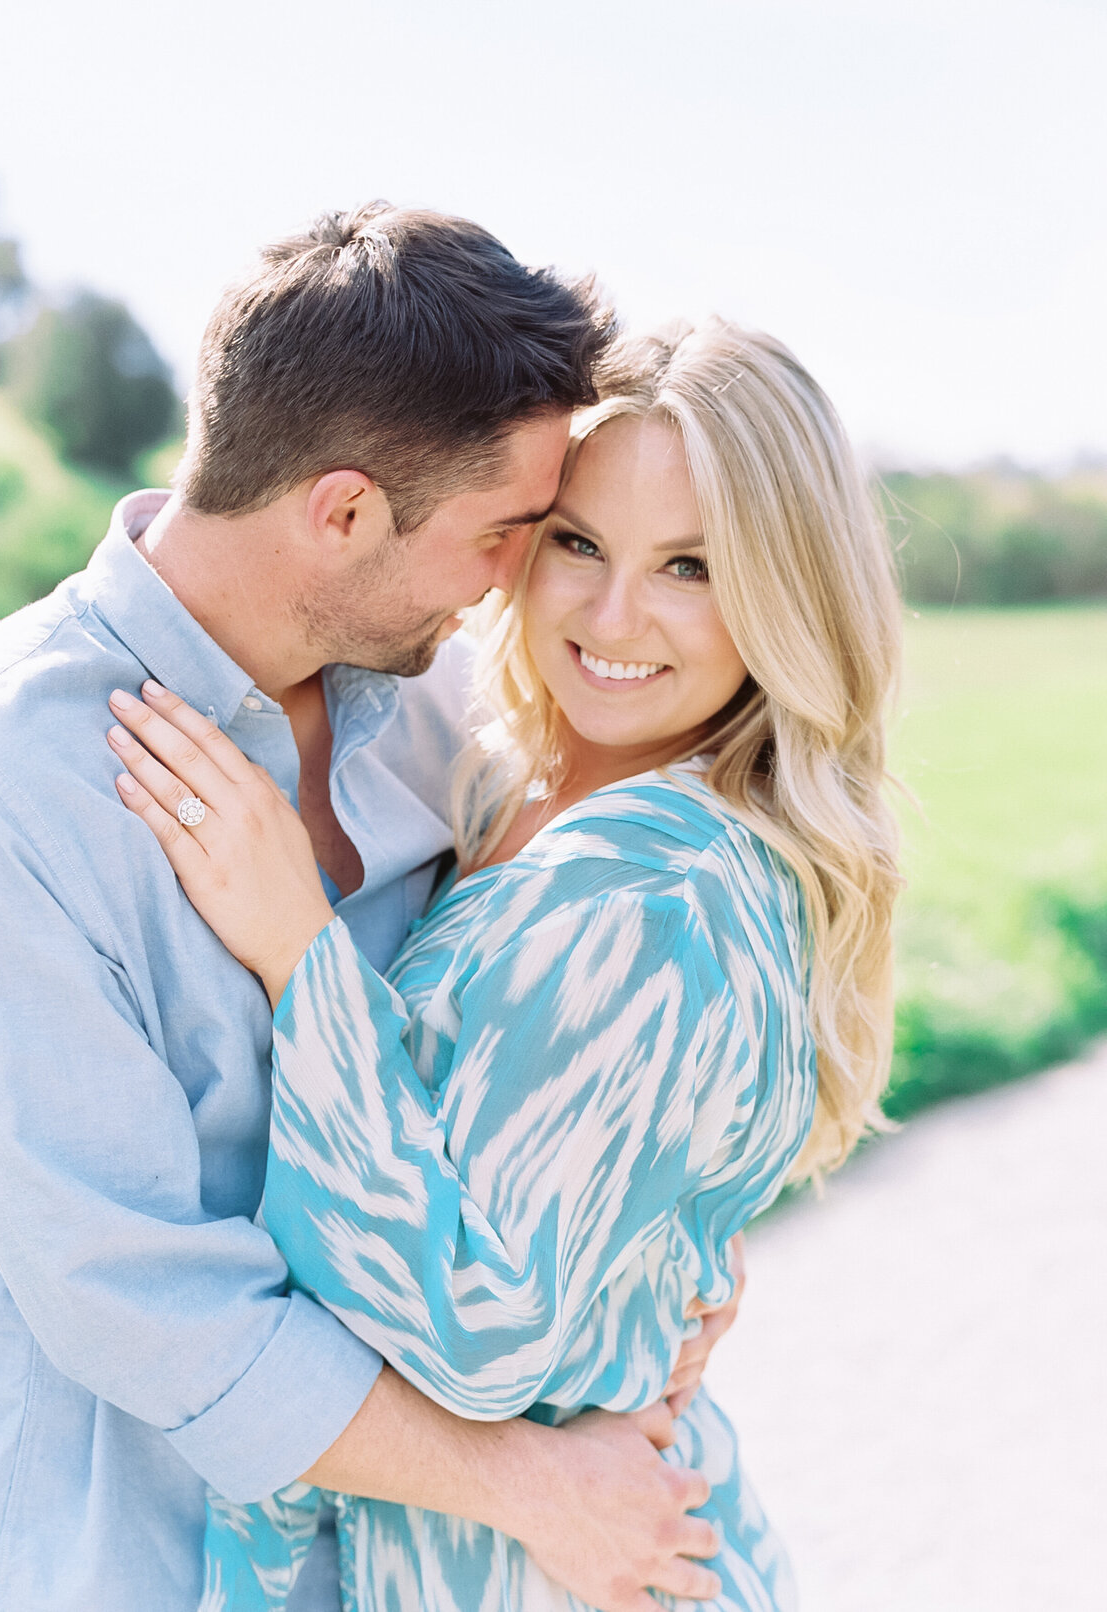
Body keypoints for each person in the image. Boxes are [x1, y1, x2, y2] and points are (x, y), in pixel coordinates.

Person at [0, 207, 727, 1612]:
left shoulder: (440, 708)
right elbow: (139, 1299)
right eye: (506, 533)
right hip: (109, 1562)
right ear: (344, 511)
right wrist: (533, 1486)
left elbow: (519, 1066)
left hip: (397, 1568)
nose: (518, 580)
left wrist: (655, 1263)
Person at [106, 318, 904, 1611]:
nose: (614, 614)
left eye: (692, 567)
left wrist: (302, 959)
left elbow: (475, 1331)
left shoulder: (656, 890)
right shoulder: (517, 785)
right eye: (579, 543)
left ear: (787, 589)